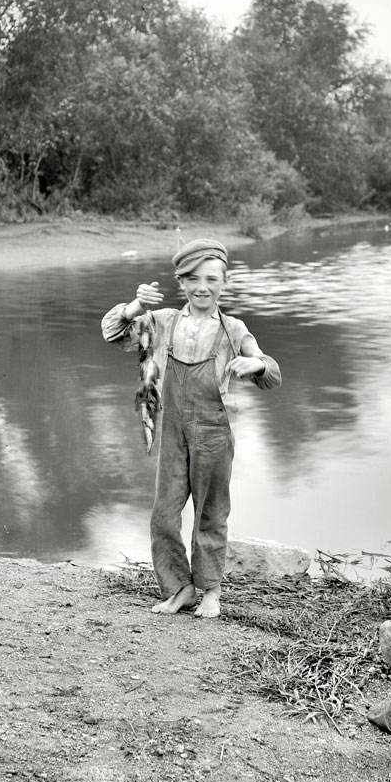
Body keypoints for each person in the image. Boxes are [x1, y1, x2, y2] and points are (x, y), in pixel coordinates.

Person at [101, 238, 281, 618]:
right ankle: (179, 587)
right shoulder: (162, 322)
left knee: (211, 512)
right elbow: (114, 333)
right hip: (171, 428)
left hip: (214, 432)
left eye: (212, 279)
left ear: (224, 282)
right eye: (193, 279)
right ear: (180, 282)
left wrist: (258, 365)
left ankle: (211, 590)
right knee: (163, 513)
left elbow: (272, 376)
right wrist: (137, 305)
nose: (203, 287)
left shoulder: (234, 330)